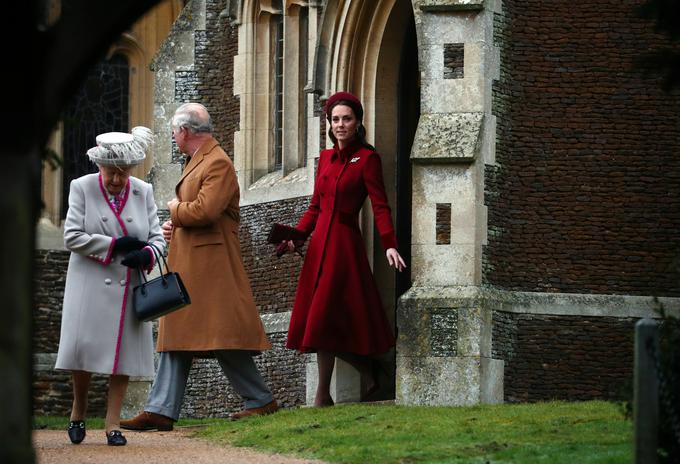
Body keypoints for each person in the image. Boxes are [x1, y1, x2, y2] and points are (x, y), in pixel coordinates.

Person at [121, 103, 277, 431]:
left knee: (218, 336)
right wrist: (173, 226)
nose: (174, 137)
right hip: (196, 264)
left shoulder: (217, 162)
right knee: (183, 333)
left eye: (175, 132)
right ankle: (162, 409)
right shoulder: (198, 161)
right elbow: (199, 213)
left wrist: (176, 211)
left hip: (212, 268)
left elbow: (206, 211)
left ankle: (260, 401)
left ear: (186, 131)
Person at [282, 91, 406, 407]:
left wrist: (390, 244)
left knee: (327, 318)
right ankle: (370, 374)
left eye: (346, 119)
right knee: (325, 320)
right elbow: (314, 207)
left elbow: (380, 206)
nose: (340, 125)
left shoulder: (367, 159)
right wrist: (296, 237)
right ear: (329, 123)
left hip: (343, 246)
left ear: (358, 122)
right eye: (335, 119)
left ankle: (324, 395)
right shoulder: (325, 158)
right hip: (318, 246)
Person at [55, 126, 164, 446]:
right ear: (99, 167)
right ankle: (79, 410)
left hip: (127, 285)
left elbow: (158, 239)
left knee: (124, 356)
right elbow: (72, 236)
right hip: (89, 282)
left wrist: (146, 254)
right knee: (84, 351)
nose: (116, 180)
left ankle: (113, 423)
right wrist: (114, 245)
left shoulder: (142, 191)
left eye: (123, 173)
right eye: (110, 173)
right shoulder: (82, 187)